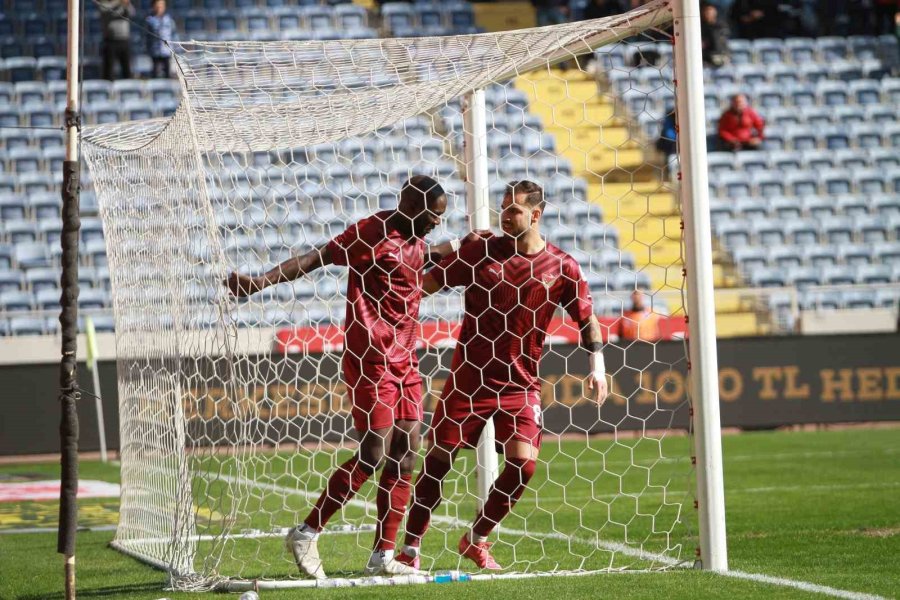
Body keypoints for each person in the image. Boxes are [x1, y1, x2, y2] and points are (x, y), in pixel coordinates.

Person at [225, 176, 479, 579]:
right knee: (374, 453)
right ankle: (307, 531)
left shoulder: (415, 242)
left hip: (406, 361)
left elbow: (421, 257)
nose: (436, 221)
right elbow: (316, 257)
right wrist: (260, 282)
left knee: (406, 453)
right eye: (434, 214)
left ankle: (383, 554)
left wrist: (462, 244)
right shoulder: (370, 232)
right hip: (371, 360)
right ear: (413, 206)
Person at [392, 180, 609, 571]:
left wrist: (598, 366)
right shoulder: (481, 252)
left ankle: (476, 538)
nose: (505, 216)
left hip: (521, 383)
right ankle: (409, 549)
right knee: (438, 462)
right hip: (469, 379)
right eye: (503, 209)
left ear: (536, 215)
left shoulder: (562, 266)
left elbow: (586, 318)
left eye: (513, 211)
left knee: (523, 466)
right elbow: (426, 283)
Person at [98, 0, 134, 81]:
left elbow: (132, 13)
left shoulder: (124, 4)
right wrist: (118, 3)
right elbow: (104, 10)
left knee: (126, 68)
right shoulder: (105, 3)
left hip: (124, 40)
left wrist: (126, 4)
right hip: (111, 40)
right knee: (109, 69)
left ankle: (128, 86)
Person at [146, 0, 176, 79]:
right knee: (155, 73)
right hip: (154, 51)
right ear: (153, 7)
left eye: (162, 6)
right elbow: (147, 37)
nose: (160, 8)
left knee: (167, 74)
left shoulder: (169, 19)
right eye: (158, 6)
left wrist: (174, 48)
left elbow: (174, 34)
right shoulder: (150, 20)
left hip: (166, 51)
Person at [700, 2, 729, 67]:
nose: (708, 14)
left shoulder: (721, 26)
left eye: (710, 12)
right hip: (705, 58)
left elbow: (721, 40)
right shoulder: (700, 27)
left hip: (720, 55)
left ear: (715, 12)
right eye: (707, 12)